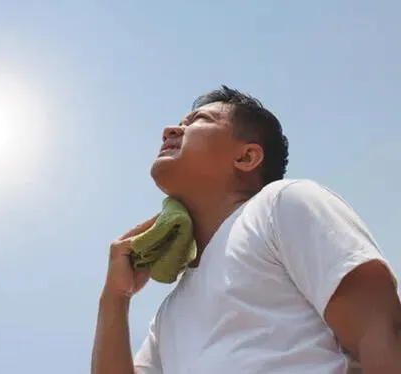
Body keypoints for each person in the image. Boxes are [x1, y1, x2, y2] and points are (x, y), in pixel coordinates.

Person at [90, 86, 401, 374]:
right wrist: (115, 298)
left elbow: (379, 329)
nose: (171, 130)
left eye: (199, 120)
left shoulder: (282, 204)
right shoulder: (169, 315)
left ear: (246, 157)